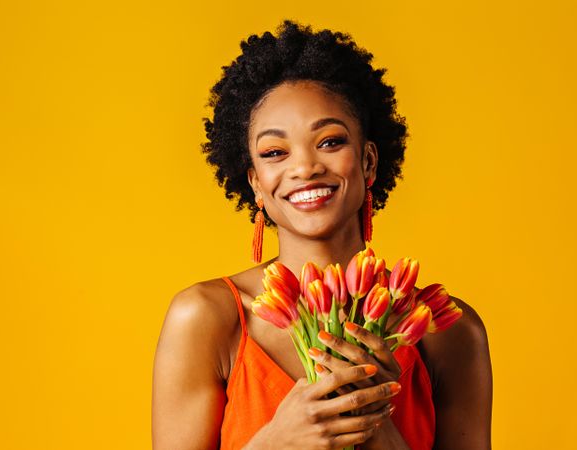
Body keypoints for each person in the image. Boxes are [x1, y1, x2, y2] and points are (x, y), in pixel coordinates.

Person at [152, 20, 492, 449]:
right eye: (275, 152)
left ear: (368, 162)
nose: (304, 167)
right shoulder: (207, 319)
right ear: (256, 183)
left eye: (330, 142)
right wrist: (277, 440)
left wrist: (374, 417)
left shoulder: (445, 333)